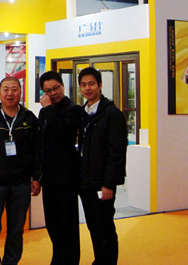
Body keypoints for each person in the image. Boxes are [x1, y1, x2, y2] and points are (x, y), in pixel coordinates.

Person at [0, 77, 41, 265]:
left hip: (21, 184)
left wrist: (37, 177)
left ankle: (11, 262)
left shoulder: (29, 118)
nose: (10, 93)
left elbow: (37, 150)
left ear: (20, 92)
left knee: (16, 230)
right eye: (6, 89)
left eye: (14, 89)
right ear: (0, 93)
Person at [78, 67, 128, 265]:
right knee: (93, 225)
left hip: (102, 184)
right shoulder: (82, 114)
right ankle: (99, 260)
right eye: (83, 85)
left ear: (99, 85)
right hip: (86, 182)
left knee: (105, 226)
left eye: (91, 84)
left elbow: (117, 153)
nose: (87, 88)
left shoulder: (112, 114)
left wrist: (108, 184)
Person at [39, 71, 82, 265]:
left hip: (66, 176)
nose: (52, 93)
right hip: (48, 176)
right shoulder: (44, 112)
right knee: (52, 222)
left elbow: (62, 134)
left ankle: (70, 260)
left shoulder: (73, 109)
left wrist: (48, 109)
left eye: (55, 88)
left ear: (63, 86)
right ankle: (58, 258)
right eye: (47, 90)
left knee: (67, 223)